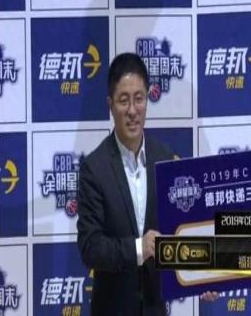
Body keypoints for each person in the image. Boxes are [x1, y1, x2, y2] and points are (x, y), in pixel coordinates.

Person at [77, 52, 173, 315]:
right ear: (110, 105)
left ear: (147, 99)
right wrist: (138, 248)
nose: (132, 110)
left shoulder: (165, 160)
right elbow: (90, 247)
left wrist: (199, 276)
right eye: (123, 100)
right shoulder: (94, 169)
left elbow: (178, 233)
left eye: (139, 99)